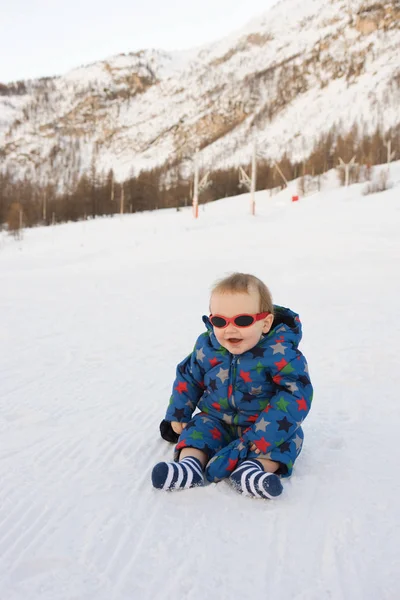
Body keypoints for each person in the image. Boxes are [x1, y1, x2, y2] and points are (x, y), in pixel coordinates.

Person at [151, 273, 313, 499]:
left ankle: (252, 471)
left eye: (243, 320)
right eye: (220, 321)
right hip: (216, 418)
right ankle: (190, 466)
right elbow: (189, 376)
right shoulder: (207, 346)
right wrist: (178, 413)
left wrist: (264, 433)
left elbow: (296, 394)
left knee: (287, 439)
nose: (229, 329)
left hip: (261, 425)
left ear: (265, 323)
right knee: (197, 430)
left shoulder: (282, 354)